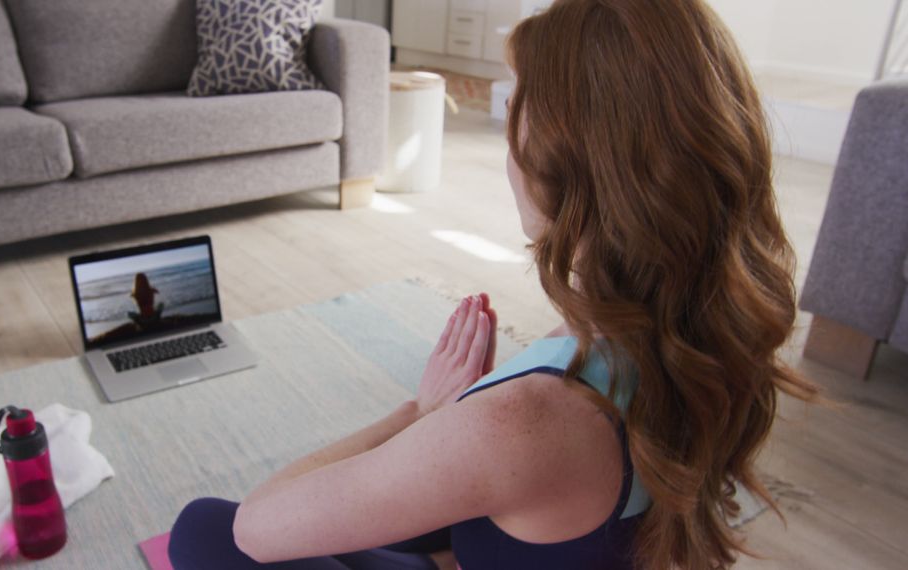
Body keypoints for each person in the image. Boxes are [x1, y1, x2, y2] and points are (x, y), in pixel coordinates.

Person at [168, 0, 819, 568]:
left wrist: (418, 415)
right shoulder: (701, 330)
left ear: (563, 170)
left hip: (507, 487)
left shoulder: (525, 419)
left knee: (205, 528)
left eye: (514, 116)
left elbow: (255, 529)